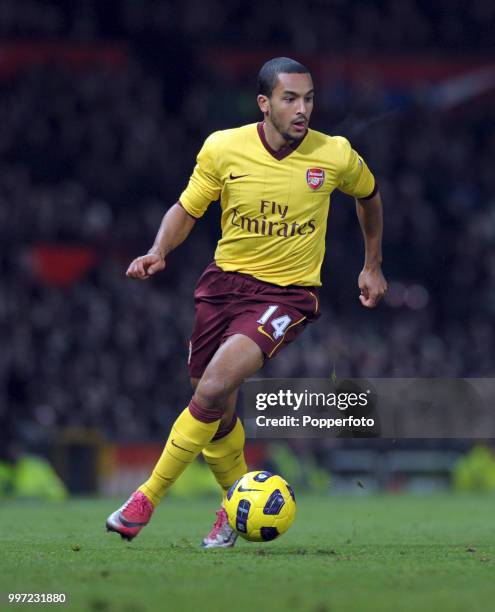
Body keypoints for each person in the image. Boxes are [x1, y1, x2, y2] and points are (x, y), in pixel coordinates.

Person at [106, 57, 387, 548]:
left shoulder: (335, 154)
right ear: (264, 104)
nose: (303, 110)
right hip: (223, 288)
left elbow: (370, 195)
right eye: (290, 99)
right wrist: (158, 250)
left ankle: (145, 499)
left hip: (287, 294)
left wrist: (372, 264)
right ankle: (233, 504)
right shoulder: (223, 147)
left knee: (212, 387)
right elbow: (188, 208)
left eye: (309, 99)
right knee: (214, 405)